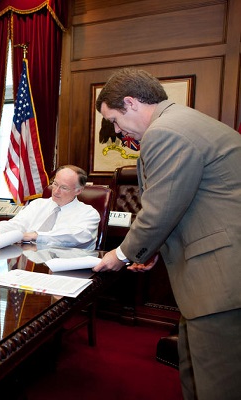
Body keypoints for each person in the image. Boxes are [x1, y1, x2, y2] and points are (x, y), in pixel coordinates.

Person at [93, 68, 241, 400]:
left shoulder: (166, 132)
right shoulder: (185, 122)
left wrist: (120, 255)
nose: (116, 130)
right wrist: (153, 249)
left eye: (115, 120)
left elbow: (160, 210)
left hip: (223, 280)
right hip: (217, 279)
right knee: (195, 372)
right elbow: (189, 201)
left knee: (219, 385)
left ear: (130, 103)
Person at [0, 165, 100, 250]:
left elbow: (76, 236)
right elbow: (17, 224)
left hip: (67, 269)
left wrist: (35, 235)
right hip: (30, 262)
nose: (56, 191)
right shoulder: (38, 204)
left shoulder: (89, 214)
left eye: (64, 188)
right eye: (55, 184)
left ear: (78, 191)